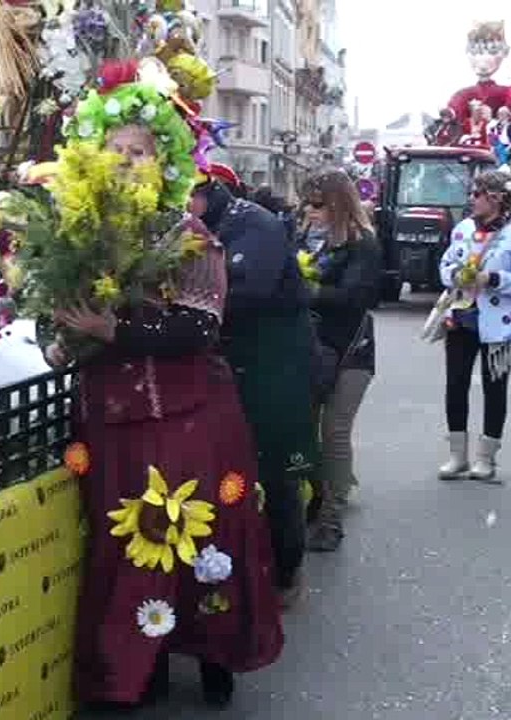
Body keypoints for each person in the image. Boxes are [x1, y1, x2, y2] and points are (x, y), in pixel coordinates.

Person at [45, 72, 283, 711]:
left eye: (140, 151)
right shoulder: (79, 235)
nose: (126, 162)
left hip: (187, 417)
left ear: (166, 161)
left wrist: (114, 330)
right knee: (125, 545)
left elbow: (199, 326)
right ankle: (135, 665)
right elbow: (57, 309)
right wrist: (63, 339)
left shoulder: (187, 236)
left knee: (202, 537)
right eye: (115, 150)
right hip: (108, 419)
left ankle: (214, 653)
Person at [192, 167, 318, 599]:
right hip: (231, 362)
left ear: (205, 193)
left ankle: (287, 571)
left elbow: (246, 293)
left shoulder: (254, 224)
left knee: (278, 468)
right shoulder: (200, 225)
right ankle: (242, 566)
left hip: (276, 362)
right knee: (231, 470)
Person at [436, 171, 511, 483]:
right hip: (460, 320)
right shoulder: (463, 229)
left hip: (501, 326)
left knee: (495, 388)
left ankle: (486, 457)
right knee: (455, 385)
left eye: (477, 193)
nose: (471, 199)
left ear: (496, 198)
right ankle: (457, 456)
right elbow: (445, 264)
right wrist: (456, 275)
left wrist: (493, 279)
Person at [297, 169, 382, 552]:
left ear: (338, 204)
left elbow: (355, 297)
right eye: (307, 203)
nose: (310, 211)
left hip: (351, 349)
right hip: (311, 348)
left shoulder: (363, 244)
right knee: (308, 428)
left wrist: (305, 289)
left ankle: (331, 511)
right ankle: (331, 488)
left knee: (334, 428)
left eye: (318, 204)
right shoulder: (302, 238)